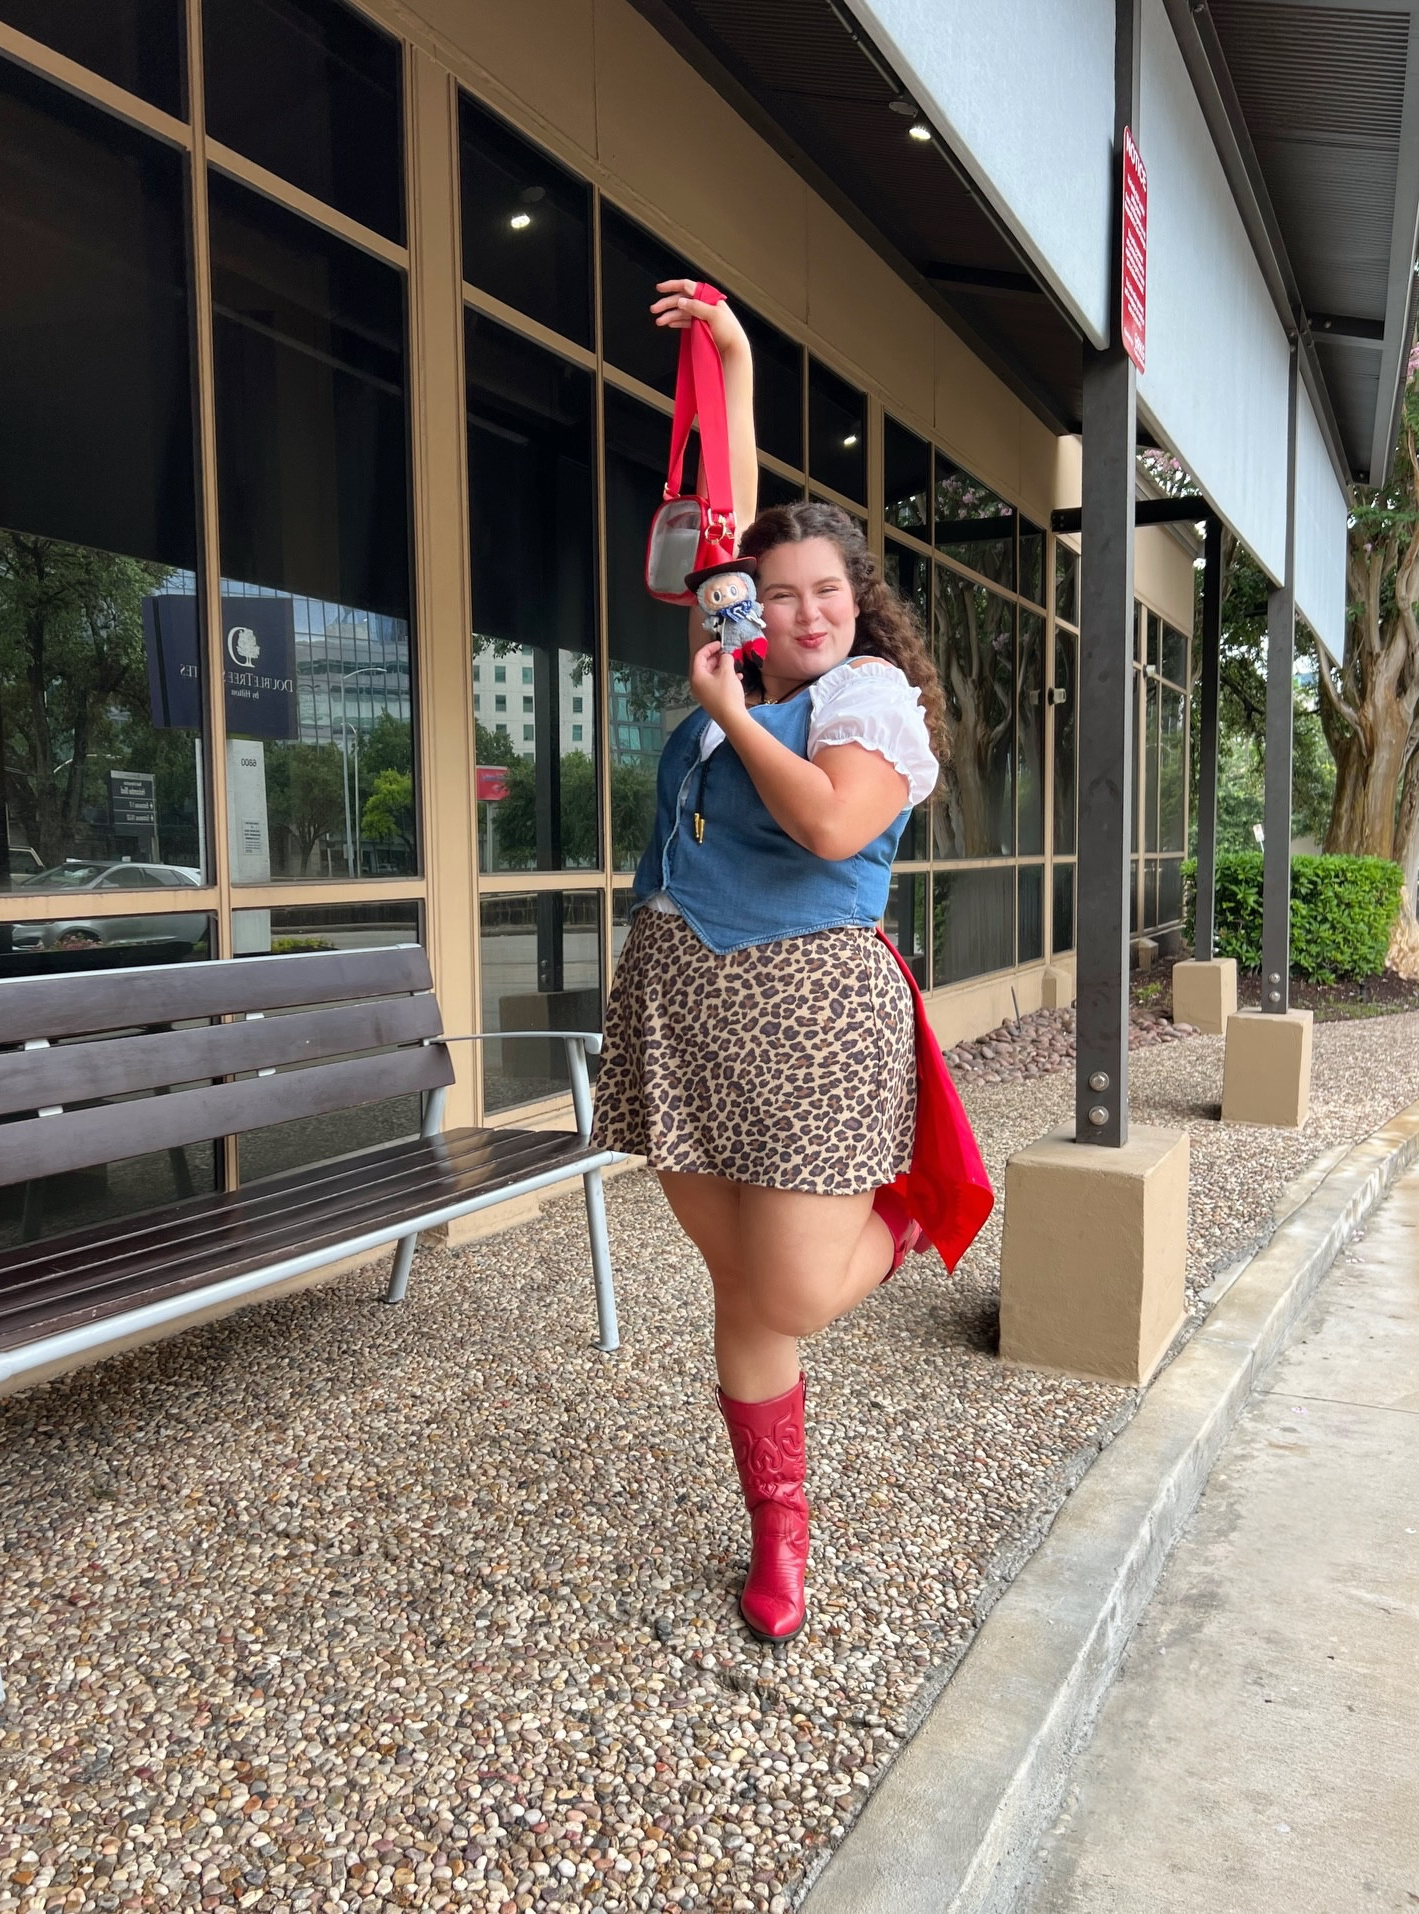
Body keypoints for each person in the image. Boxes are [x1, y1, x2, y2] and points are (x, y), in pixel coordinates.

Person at [589, 280, 954, 1646]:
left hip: (810, 1014)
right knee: (741, 1288)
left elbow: (827, 819)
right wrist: (732, 360)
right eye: (778, 592)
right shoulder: (751, 657)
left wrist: (733, 718)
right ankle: (779, 1532)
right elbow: (731, 538)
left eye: (826, 591)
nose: (801, 608)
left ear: (857, 603)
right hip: (682, 1001)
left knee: (795, 1283)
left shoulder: (869, 701)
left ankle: (910, 1212)